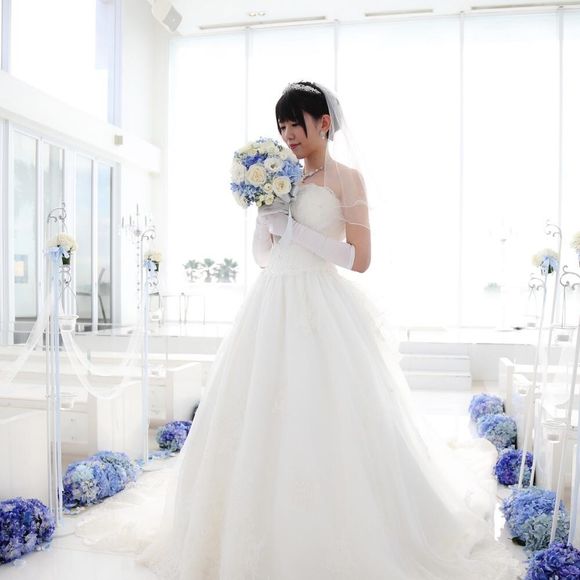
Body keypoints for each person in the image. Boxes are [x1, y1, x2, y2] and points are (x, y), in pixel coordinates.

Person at [79, 82, 526, 579]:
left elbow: (359, 259)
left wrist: (295, 231)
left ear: (324, 123)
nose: (288, 134)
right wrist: (265, 222)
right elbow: (264, 258)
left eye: (296, 123)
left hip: (322, 304)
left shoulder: (347, 179)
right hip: (270, 303)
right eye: (282, 125)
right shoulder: (282, 175)